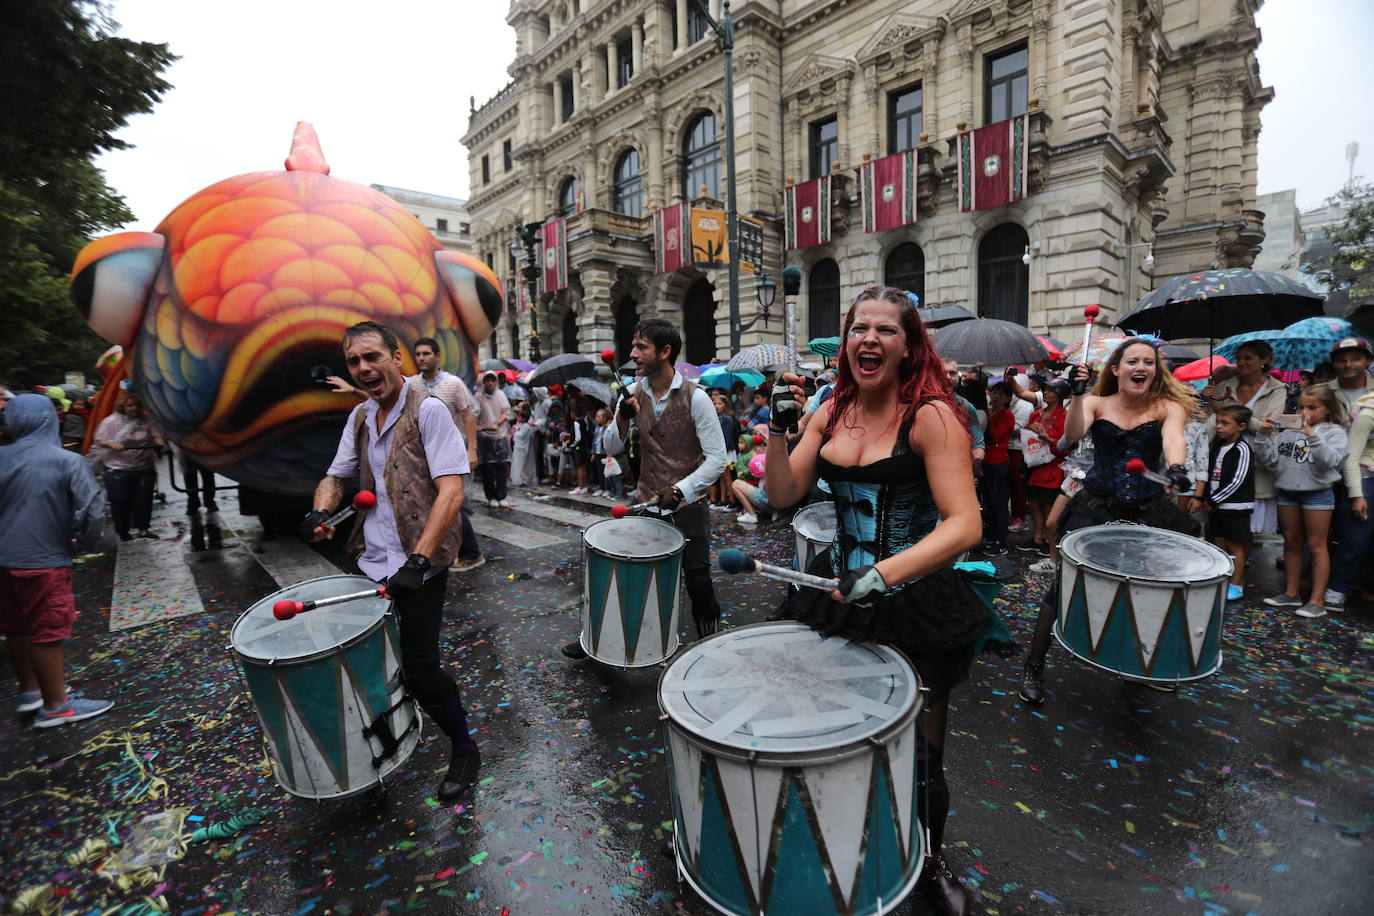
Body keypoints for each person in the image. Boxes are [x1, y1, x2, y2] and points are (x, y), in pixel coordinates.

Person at [764, 285, 1007, 915]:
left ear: (908, 345)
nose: (869, 339)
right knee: (833, 730)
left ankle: (928, 862)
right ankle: (839, 835)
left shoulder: (932, 415)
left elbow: (963, 525)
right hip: (836, 592)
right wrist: (777, 430)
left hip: (915, 599)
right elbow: (784, 494)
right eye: (858, 328)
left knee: (922, 749)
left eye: (886, 330)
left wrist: (886, 574)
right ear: (845, 342)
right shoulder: (829, 409)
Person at [302, 320, 480, 801]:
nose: (363, 368)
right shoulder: (360, 417)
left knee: (421, 670)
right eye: (354, 361)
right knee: (367, 664)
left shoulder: (431, 411)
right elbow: (336, 474)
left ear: (396, 358)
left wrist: (418, 562)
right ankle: (390, 741)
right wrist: (320, 509)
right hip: (371, 561)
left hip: (421, 564)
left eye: (372, 357)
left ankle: (464, 748)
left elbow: (451, 492)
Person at [1020, 338, 1198, 705]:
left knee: (1147, 592)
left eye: (1149, 362)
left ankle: (1140, 667)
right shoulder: (1098, 403)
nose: (1142, 368)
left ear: (1156, 370)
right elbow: (1071, 436)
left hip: (1147, 511)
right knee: (1063, 589)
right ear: (1116, 370)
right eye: (1133, 361)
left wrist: (1177, 468)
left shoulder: (1168, 406)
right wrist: (1078, 395)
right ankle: (1033, 666)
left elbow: (1173, 438)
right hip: (1097, 509)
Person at [566, 318, 728, 657]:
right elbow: (610, 447)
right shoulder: (632, 392)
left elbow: (716, 459)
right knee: (626, 575)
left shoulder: (696, 398)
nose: (633, 354)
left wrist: (682, 489)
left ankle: (712, 646)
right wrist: (622, 417)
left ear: (665, 352)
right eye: (633, 346)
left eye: (641, 347)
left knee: (698, 583)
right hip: (645, 502)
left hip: (688, 507)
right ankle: (598, 639)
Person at [1, 394, 112, 727]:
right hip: (42, 560)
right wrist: (84, 543)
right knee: (47, 631)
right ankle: (56, 706)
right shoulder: (66, 460)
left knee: (15, 630)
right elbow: (92, 511)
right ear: (51, 420)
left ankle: (31, 692)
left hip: (3, 561)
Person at [1253, 386, 1348, 619]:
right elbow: (1268, 460)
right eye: (1301, 406)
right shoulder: (1287, 432)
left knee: (1317, 546)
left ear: (1327, 410)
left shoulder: (1334, 432)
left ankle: (1317, 600)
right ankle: (1291, 592)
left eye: (1312, 407)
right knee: (1292, 543)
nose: (1304, 412)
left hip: (1317, 493)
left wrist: (1311, 436)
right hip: (1287, 492)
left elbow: (1331, 462)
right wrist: (1264, 435)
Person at [409, 337, 485, 571]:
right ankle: (444, 550)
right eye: (418, 354)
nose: (422, 358)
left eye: (426, 354)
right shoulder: (412, 384)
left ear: (437, 356)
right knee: (435, 504)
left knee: (452, 503)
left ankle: (472, 553)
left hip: (451, 452)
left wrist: (472, 449)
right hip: (424, 453)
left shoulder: (453, 383)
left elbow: (468, 414)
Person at [1203, 341, 1287, 535]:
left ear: (1264, 360)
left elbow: (1269, 425)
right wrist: (1210, 401)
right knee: (1222, 527)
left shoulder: (1277, 389)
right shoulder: (1226, 386)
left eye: (1248, 358)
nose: (1241, 362)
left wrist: (1226, 413)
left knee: (1248, 531)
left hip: (1258, 459)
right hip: (1224, 458)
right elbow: (1213, 422)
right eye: (1238, 358)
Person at [1197, 405, 1255, 603]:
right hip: (1216, 506)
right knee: (1218, 543)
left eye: (1225, 423)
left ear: (1241, 426)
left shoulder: (1242, 449)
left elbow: (1238, 480)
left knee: (1236, 546)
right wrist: (1206, 496)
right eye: (1218, 422)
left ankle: (1237, 583)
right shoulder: (1216, 446)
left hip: (1235, 507)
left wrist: (1214, 499)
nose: (1219, 427)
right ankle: (1220, 579)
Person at [92, 391, 167, 541]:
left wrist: (161, 444)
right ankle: (123, 530)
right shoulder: (110, 421)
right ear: (123, 406)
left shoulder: (147, 420)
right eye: (130, 405)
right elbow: (100, 440)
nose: (133, 408)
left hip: (143, 466)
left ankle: (143, 529)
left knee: (144, 499)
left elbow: (157, 435)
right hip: (117, 467)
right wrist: (111, 443)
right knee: (119, 499)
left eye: (136, 405)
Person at [1022, 378, 1071, 553]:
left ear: (1060, 395)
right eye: (1045, 389)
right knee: (1034, 503)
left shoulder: (1065, 417)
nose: (1046, 392)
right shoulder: (1036, 415)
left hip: (1054, 468)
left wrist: (1046, 438)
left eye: (1050, 390)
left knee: (1049, 506)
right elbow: (1027, 436)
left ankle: (1050, 543)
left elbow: (1066, 446)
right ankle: (1037, 538)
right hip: (1034, 465)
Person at [980, 381, 1015, 556]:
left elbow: (993, 436)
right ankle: (990, 536)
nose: (996, 396)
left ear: (1008, 398)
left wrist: (985, 416)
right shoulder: (989, 412)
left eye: (1001, 394)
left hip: (998, 462)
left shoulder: (1006, 415)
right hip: (985, 462)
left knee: (999, 503)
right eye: (994, 392)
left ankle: (1000, 541)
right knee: (988, 502)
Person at [474, 371, 512, 507]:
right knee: (487, 467)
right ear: (483, 382)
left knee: (501, 466)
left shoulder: (501, 395)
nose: (490, 383)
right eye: (487, 381)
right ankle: (491, 497)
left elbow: (507, 412)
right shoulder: (478, 397)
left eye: (492, 381)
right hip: (484, 436)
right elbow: (473, 414)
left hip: (500, 435)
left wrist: (498, 423)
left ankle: (502, 495)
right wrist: (476, 426)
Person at [1317, 337, 1374, 419]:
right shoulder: (1319, 393)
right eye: (1341, 360)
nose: (1348, 365)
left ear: (1368, 361)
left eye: (1356, 359)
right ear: (1334, 363)